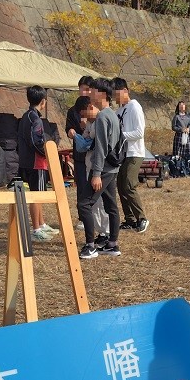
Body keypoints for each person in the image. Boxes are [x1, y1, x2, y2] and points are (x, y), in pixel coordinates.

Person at [78, 77, 122, 260]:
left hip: (103, 169)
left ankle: (90, 246)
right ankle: (112, 244)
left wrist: (96, 174)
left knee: (84, 204)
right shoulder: (113, 114)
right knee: (111, 206)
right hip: (112, 168)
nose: (90, 94)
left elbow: (101, 148)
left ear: (102, 94)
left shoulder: (103, 116)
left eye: (93, 91)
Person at [17, 86, 58, 241]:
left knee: (38, 193)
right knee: (37, 195)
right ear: (43, 101)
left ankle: (41, 223)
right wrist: (46, 153)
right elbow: (37, 141)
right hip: (36, 162)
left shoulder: (26, 116)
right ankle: (36, 229)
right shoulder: (35, 119)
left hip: (27, 161)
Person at [113, 77, 149, 233]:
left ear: (125, 90)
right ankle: (130, 220)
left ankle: (142, 218)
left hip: (135, 152)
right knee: (121, 185)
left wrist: (121, 136)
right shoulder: (119, 111)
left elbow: (140, 132)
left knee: (128, 184)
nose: (115, 97)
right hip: (123, 153)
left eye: (117, 94)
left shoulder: (134, 106)